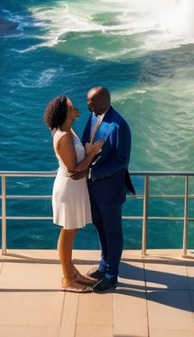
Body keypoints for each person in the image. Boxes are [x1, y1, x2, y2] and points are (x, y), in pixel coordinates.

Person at [44, 94, 105, 293]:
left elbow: (77, 165)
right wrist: (93, 152)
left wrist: (86, 151)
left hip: (74, 187)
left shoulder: (69, 131)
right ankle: (67, 279)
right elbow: (74, 167)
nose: (75, 108)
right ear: (65, 113)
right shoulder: (63, 136)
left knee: (71, 231)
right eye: (72, 107)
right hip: (69, 188)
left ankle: (72, 272)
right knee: (68, 233)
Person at [79, 86, 134, 293]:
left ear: (103, 102)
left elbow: (122, 160)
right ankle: (104, 264)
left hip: (110, 190)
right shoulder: (93, 116)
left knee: (112, 231)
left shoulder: (120, 126)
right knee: (100, 227)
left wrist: (93, 173)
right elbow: (87, 142)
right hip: (92, 188)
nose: (87, 105)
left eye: (90, 102)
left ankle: (112, 275)